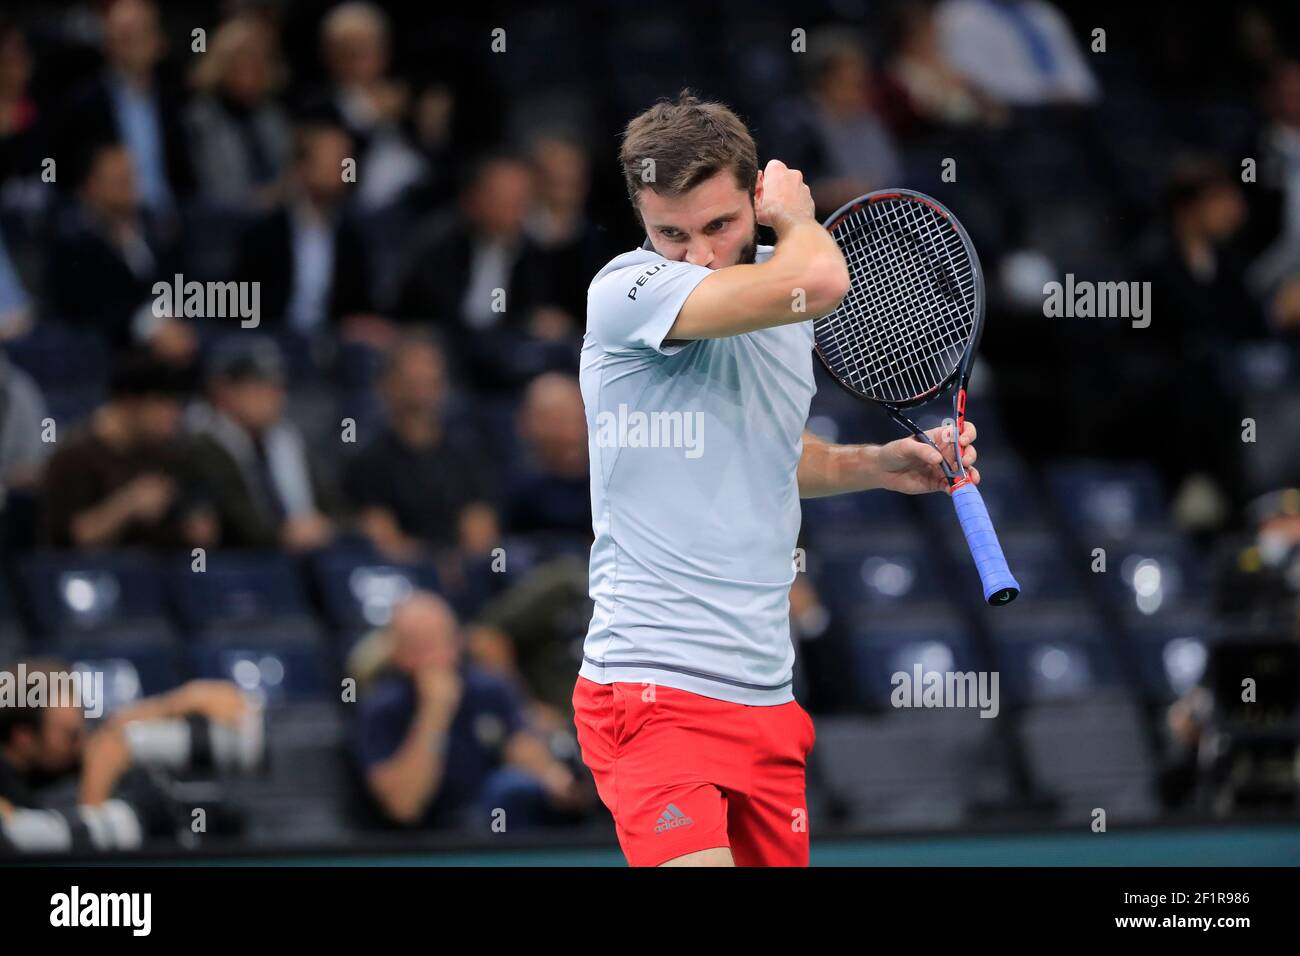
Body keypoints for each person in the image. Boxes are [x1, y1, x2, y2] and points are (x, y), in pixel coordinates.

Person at [572, 92, 981, 867]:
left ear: (750, 193)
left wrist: (877, 465)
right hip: (653, 691)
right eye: (671, 233)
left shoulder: (781, 292)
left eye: (719, 226)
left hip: (765, 699)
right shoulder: (627, 292)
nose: (696, 255)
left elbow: (772, 455)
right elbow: (823, 282)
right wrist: (797, 218)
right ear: (641, 222)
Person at [350, 591, 589, 830]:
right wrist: (434, 713)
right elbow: (405, 807)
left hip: (491, 823)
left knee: (514, 789)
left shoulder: (488, 688)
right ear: (399, 654)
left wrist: (552, 777)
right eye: (421, 646)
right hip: (427, 840)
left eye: (443, 641)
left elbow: (520, 744)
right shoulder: (382, 706)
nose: (438, 656)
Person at [38, 357, 215, 551]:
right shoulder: (73, 456)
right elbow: (73, 538)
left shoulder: (165, 457)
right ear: (129, 403)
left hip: (155, 579)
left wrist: (195, 528)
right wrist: (129, 504)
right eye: (162, 404)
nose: (173, 415)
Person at [186, 335, 341, 552]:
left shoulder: (289, 441)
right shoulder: (202, 445)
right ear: (223, 391)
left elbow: (332, 503)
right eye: (259, 385)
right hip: (242, 567)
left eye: (277, 386)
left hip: (302, 559)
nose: (274, 396)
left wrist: (327, 526)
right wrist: (283, 534)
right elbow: (231, 519)